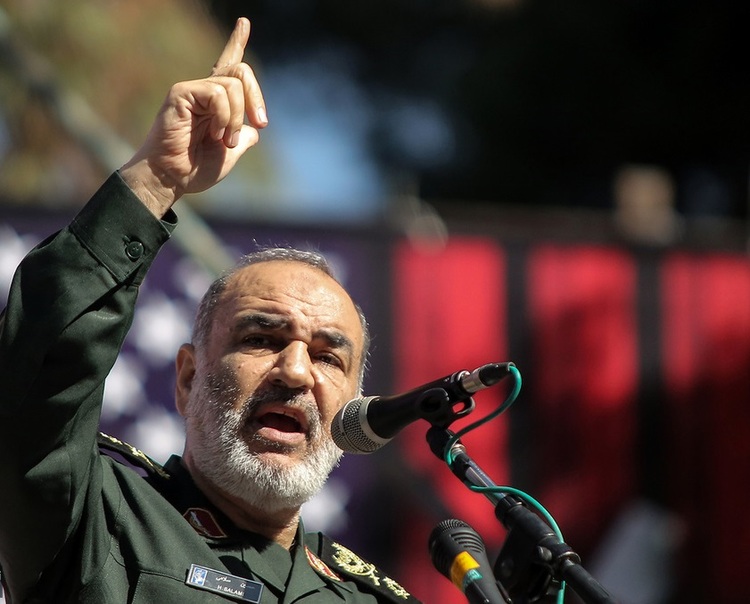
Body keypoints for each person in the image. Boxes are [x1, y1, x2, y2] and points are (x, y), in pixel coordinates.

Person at [0, 18, 420, 603]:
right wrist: (154, 181)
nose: (296, 371)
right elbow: (31, 382)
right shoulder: (97, 520)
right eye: (262, 339)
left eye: (329, 357)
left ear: (352, 408)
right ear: (188, 378)